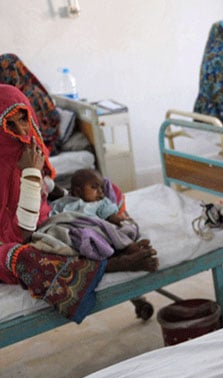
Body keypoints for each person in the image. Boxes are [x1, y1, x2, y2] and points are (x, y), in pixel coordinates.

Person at [0, 84, 158, 322]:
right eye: (9, 125)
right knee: (23, 258)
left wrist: (69, 197)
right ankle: (114, 264)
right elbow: (24, 235)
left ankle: (117, 247)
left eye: (23, 119)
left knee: (102, 194)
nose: (21, 130)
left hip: (41, 219)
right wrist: (31, 172)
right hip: (10, 239)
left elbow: (45, 190)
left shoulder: (27, 151)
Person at [50, 168, 128, 226]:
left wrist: (118, 219)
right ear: (78, 191)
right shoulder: (63, 201)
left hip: (88, 226)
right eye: (94, 187)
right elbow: (52, 214)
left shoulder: (101, 203)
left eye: (101, 187)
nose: (100, 191)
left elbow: (110, 215)